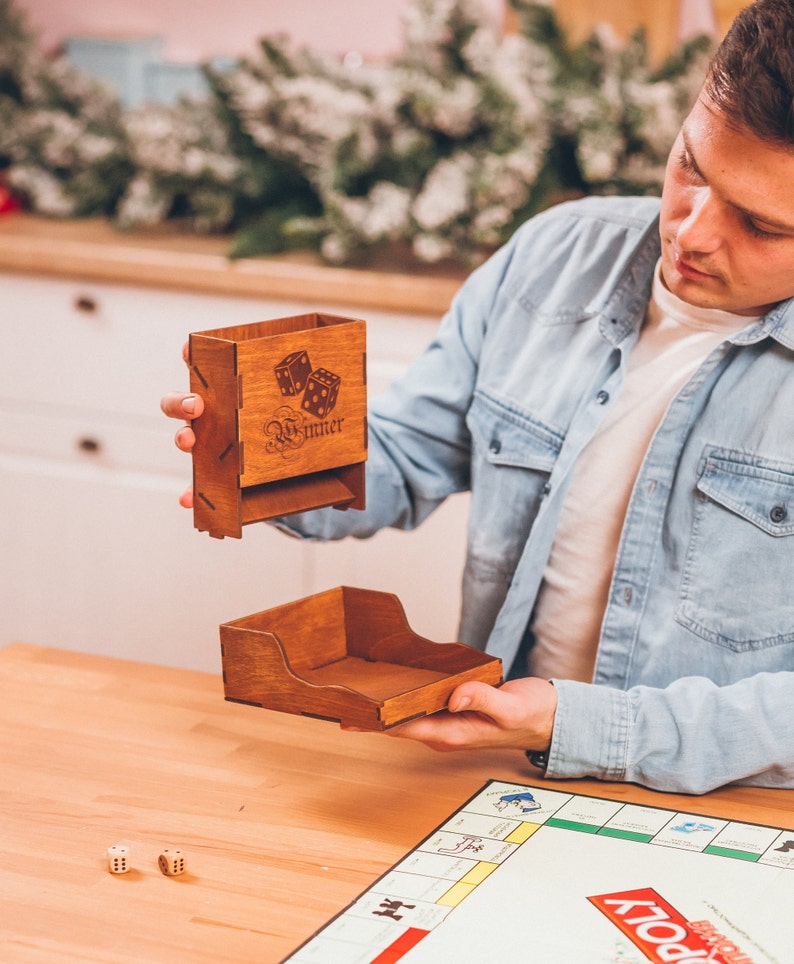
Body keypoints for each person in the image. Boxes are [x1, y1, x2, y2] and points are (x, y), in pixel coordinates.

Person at [161, 0, 794, 795]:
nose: (692, 232)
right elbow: (403, 456)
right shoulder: (553, 254)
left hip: (738, 815)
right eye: (691, 168)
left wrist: (581, 726)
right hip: (500, 777)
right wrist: (263, 451)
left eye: (761, 225)